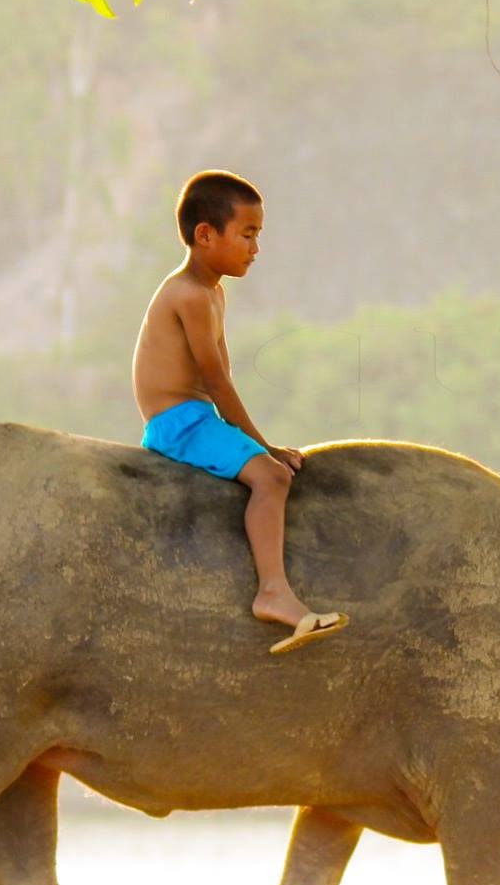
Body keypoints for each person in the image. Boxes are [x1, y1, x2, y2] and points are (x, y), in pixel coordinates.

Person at [132, 170, 348, 654]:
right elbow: (215, 382)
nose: (255, 248)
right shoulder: (187, 294)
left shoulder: (212, 291)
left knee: (267, 466)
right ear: (205, 235)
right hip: (180, 422)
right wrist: (263, 448)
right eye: (247, 234)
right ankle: (273, 592)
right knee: (272, 478)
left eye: (258, 236)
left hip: (197, 416)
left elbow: (221, 370)